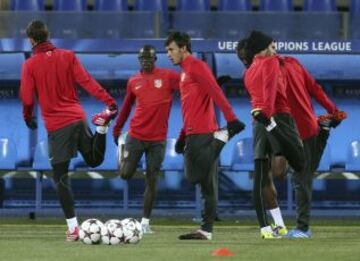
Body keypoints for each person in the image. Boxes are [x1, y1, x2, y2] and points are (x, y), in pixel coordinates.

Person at [237, 31, 347, 239]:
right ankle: (323, 130)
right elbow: (315, 88)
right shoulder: (293, 62)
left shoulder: (264, 68)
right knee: (305, 172)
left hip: (292, 127)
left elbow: (269, 96)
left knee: (301, 177)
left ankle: (303, 228)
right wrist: (333, 110)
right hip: (308, 124)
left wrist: (264, 115)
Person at [20, 20, 118, 242]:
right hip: (78, 117)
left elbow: (27, 98)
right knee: (93, 160)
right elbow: (87, 81)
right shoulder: (68, 55)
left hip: (58, 126)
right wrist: (109, 101)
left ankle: (74, 229)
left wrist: (28, 117)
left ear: (32, 40)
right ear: (48, 35)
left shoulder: (29, 65)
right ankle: (101, 128)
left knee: (61, 177)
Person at [165, 31, 245, 240]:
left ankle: (223, 137)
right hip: (194, 131)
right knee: (208, 185)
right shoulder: (184, 71)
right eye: (167, 50)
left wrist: (232, 120)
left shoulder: (196, 66)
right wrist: (182, 135)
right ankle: (206, 230)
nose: (168, 54)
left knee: (193, 176)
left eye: (171, 49)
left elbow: (215, 92)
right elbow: (190, 108)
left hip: (203, 133)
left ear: (183, 48)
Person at [237, 31, 306, 239]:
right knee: (297, 164)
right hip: (278, 117)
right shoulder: (273, 62)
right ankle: (288, 226)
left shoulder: (247, 73)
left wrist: (262, 116)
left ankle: (267, 228)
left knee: (262, 176)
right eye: (273, 46)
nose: (275, 50)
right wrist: (268, 118)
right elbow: (269, 91)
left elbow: (260, 94)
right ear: (266, 47)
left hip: (257, 120)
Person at [112, 45, 179, 234]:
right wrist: (117, 129)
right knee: (125, 175)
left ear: (155, 59)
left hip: (158, 139)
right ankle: (123, 148)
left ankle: (145, 223)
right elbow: (126, 107)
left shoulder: (168, 76)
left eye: (149, 59)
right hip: (136, 135)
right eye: (142, 59)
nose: (145, 62)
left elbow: (189, 85)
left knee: (152, 179)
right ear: (139, 60)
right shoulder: (133, 81)